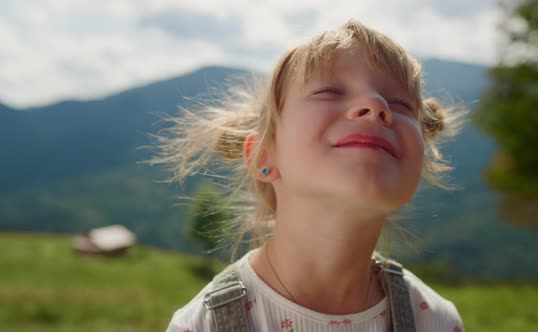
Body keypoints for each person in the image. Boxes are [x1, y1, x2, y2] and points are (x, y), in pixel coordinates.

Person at [157, 19, 465, 332]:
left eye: (401, 103)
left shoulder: (436, 320)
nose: (376, 104)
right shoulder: (202, 325)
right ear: (263, 156)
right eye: (330, 91)